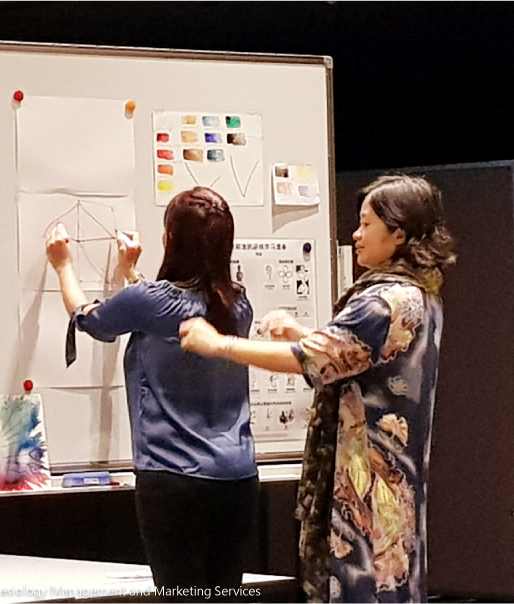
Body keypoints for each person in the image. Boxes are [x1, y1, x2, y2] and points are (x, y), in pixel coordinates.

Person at [179, 175, 456, 603]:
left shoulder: (379, 302)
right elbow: (357, 355)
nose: (356, 234)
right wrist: (302, 332)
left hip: (362, 495)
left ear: (398, 233)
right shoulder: (419, 294)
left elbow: (309, 360)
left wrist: (219, 344)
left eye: (367, 224)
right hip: (394, 492)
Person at [45, 187, 258, 602]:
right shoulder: (238, 304)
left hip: (173, 479)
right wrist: (131, 274)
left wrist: (63, 265)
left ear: (170, 239)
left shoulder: (149, 302)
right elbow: (172, 310)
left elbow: (91, 320)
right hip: (238, 478)